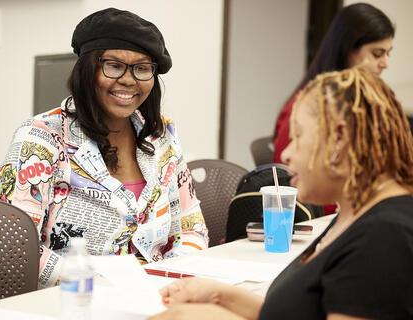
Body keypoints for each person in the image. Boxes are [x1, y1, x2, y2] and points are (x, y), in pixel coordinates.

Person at [148, 67, 413, 320]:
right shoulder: (358, 214)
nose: (286, 153)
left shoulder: (385, 236)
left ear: (339, 138)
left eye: (298, 136)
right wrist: (220, 295)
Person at [0, 8, 208, 288]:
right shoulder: (40, 138)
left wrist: (165, 282)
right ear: (87, 70)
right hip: (71, 301)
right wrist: (105, 283)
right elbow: (14, 248)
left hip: (155, 298)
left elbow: (193, 231)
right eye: (114, 65)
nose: (129, 80)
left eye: (142, 68)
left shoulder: (162, 136)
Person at [274, 2, 394, 164]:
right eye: (377, 54)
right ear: (348, 49)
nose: (385, 63)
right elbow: (284, 173)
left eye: (388, 54)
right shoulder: (307, 105)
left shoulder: (363, 102)